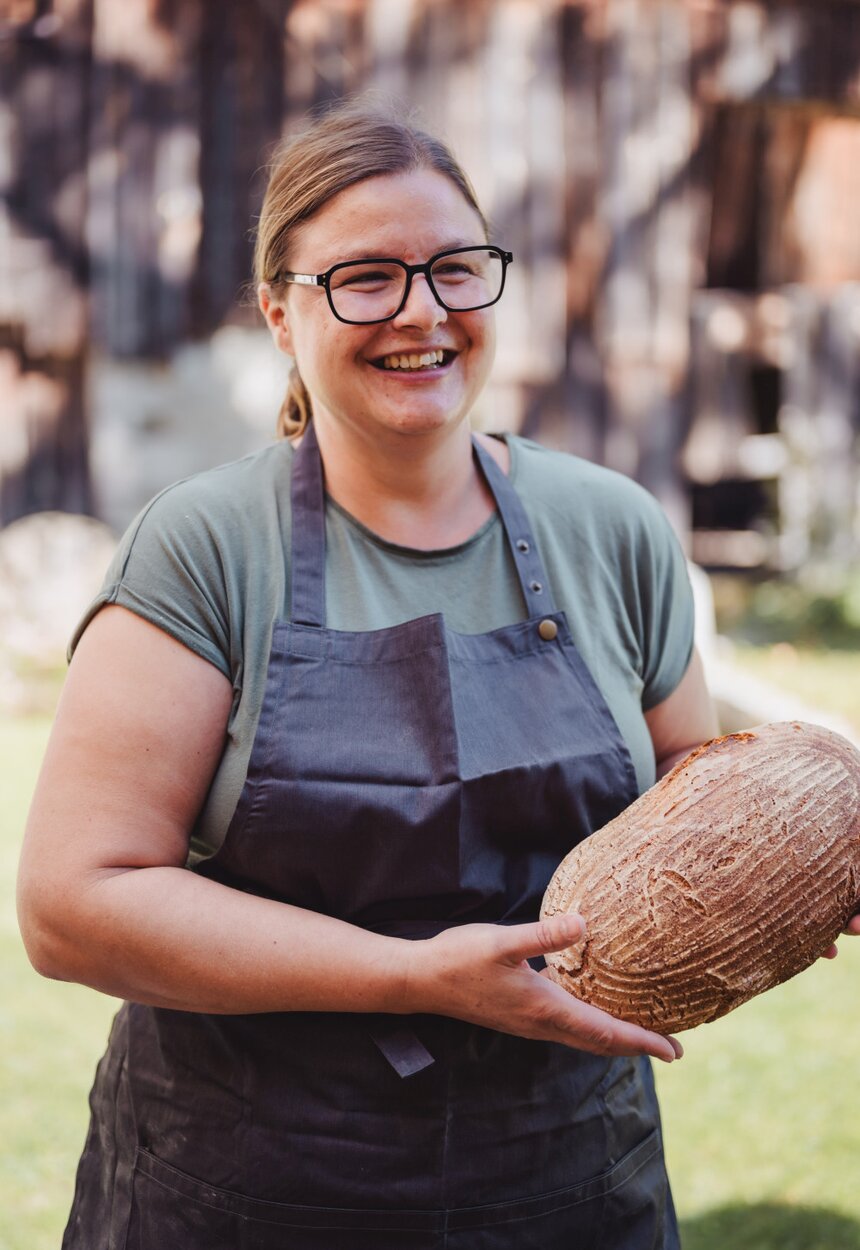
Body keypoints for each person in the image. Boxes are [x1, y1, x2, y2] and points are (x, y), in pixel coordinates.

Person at [19, 102, 722, 1249]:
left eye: (454, 267)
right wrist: (413, 975)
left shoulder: (610, 528)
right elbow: (72, 905)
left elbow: (697, 784)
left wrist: (790, 860)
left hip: (563, 1180)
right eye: (364, 278)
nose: (422, 310)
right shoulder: (206, 546)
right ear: (278, 313)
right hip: (247, 1188)